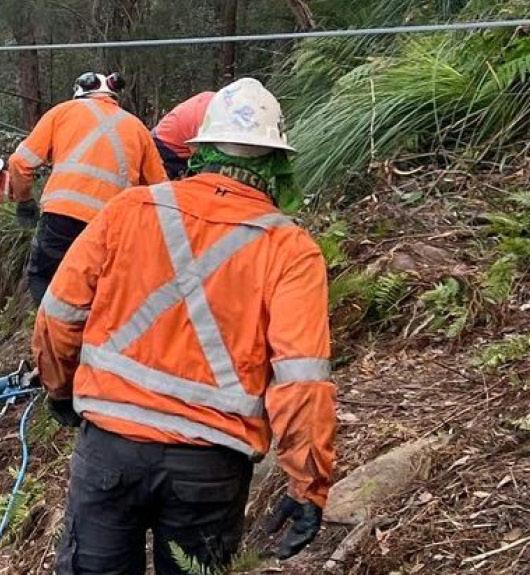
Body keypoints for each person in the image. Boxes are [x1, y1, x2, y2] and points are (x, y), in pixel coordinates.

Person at [31, 78, 335, 575]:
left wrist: (60, 390)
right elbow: (300, 382)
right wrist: (309, 484)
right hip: (210, 468)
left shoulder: (127, 210)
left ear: (199, 149)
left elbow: (59, 314)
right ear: (277, 161)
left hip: (111, 449)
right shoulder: (290, 248)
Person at [8, 72, 166, 305]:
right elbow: (161, 189)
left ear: (79, 93)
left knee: (44, 278)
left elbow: (19, 163)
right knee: (99, 290)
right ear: (113, 96)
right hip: (111, 226)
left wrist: (24, 202)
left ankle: (51, 331)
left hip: (62, 217)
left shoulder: (62, 112)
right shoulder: (138, 128)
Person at [150, 91, 214, 180]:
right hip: (165, 148)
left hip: (173, 141)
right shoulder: (208, 114)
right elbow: (200, 155)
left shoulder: (214, 102)